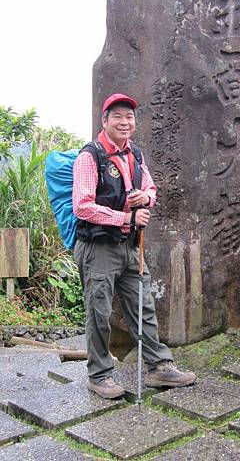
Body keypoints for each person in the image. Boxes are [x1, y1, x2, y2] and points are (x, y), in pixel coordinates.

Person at [73, 93, 196, 398]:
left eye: (129, 117)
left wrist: (146, 198)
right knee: (98, 311)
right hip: (97, 247)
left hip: (129, 246)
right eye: (118, 116)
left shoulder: (134, 155)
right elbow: (82, 205)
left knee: (143, 305)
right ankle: (99, 375)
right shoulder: (91, 156)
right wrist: (124, 219)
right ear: (105, 121)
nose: (125, 122)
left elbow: (151, 186)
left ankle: (159, 367)